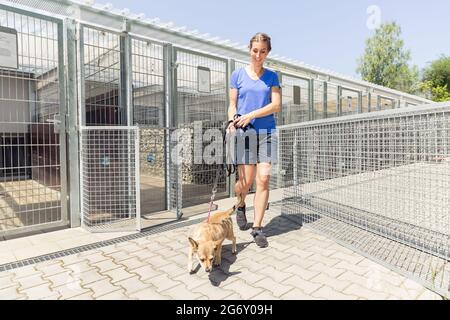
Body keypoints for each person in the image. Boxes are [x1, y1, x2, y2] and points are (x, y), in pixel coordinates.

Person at [226, 32, 281, 248]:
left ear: (267, 52)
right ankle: (240, 205)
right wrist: (232, 120)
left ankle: (257, 228)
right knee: (245, 182)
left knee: (264, 179)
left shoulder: (272, 77)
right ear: (250, 50)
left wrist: (251, 114)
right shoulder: (237, 75)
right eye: (255, 50)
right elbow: (232, 104)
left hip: (266, 133)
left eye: (263, 51)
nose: (258, 55)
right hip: (245, 133)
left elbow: (276, 105)